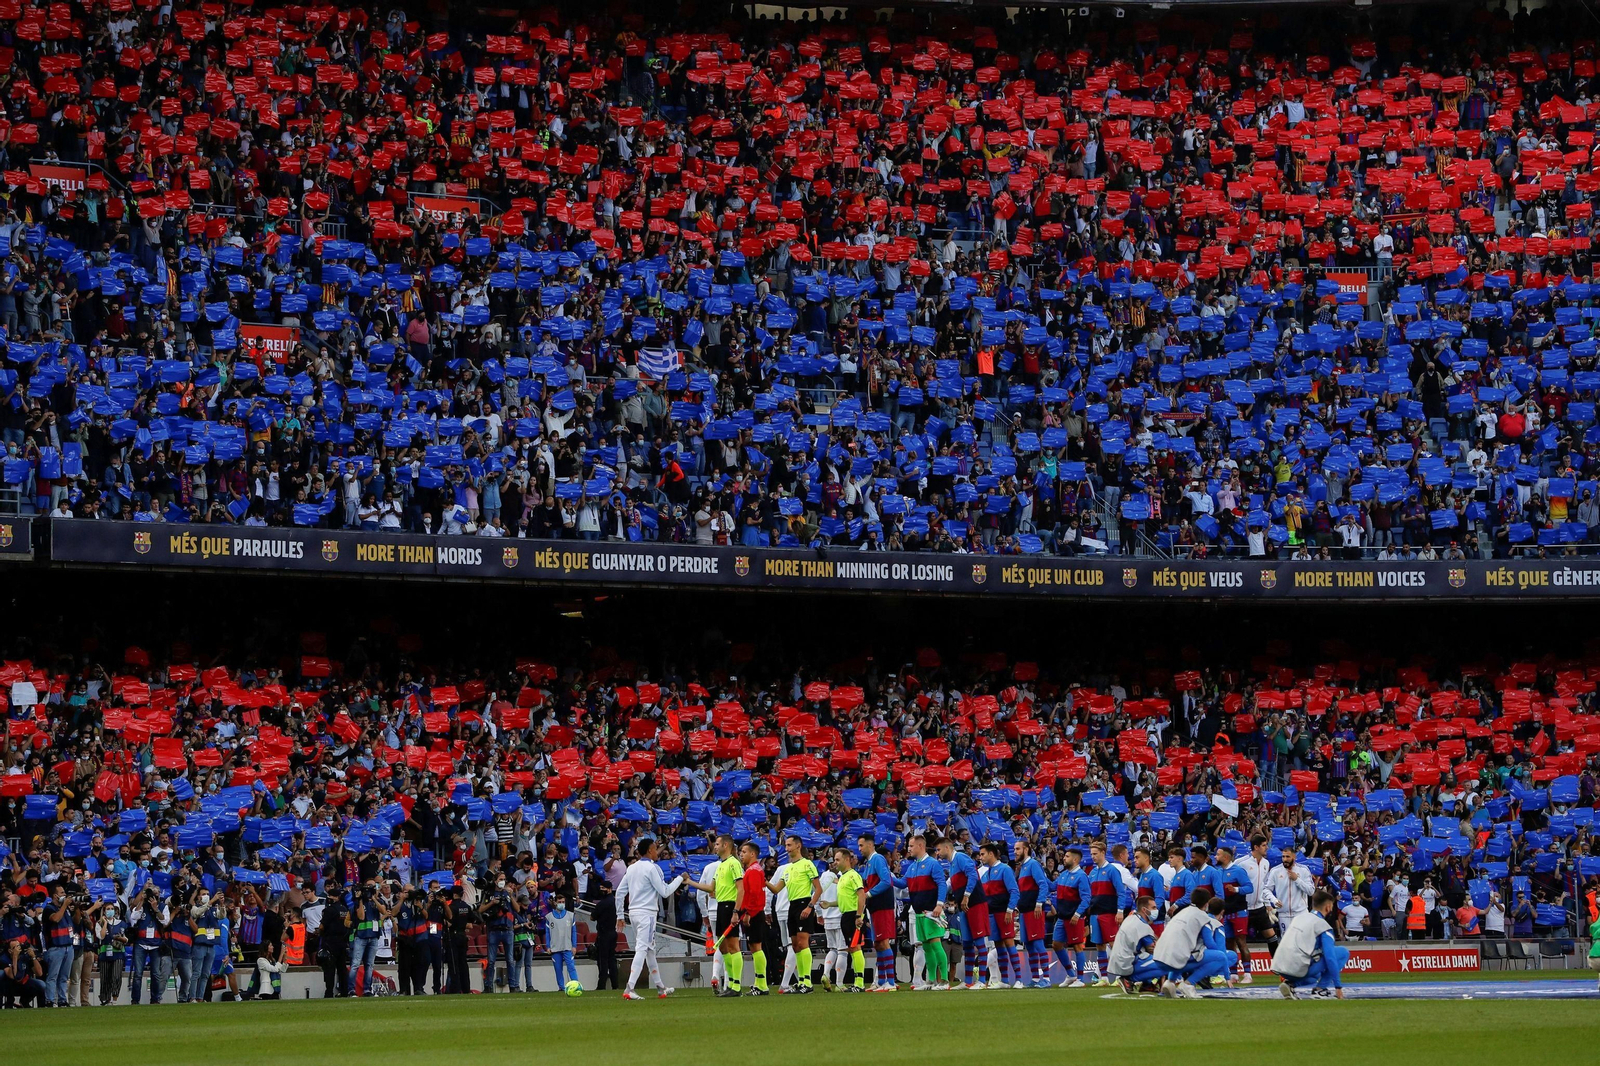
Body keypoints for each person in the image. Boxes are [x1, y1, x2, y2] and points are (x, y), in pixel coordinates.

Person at [616, 837, 684, 1000]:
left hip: (634, 913)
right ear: (649, 851)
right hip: (647, 914)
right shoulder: (652, 868)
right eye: (655, 849)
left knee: (649, 950)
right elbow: (665, 891)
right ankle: (629, 987)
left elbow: (619, 893)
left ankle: (660, 987)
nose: (657, 852)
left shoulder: (631, 868)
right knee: (642, 948)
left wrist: (620, 915)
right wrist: (681, 878)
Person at [687, 834, 745, 997]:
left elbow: (741, 889)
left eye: (718, 844)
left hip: (729, 906)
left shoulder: (734, 863)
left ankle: (736, 986)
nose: (715, 846)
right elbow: (710, 888)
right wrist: (690, 882)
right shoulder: (721, 865)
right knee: (723, 946)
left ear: (726, 845)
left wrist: (736, 911)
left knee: (733, 946)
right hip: (720, 906)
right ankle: (730, 985)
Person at [1272, 888, 1348, 999]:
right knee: (1342, 952)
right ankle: (1320, 989)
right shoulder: (1322, 925)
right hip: (1298, 969)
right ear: (1328, 907)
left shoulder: (1298, 918)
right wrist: (1338, 986)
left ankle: (1290, 984)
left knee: (1315, 976)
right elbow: (1330, 957)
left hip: (1280, 967)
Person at [769, 834, 821, 994]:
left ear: (798, 846)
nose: (786, 848)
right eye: (786, 845)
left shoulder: (807, 864)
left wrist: (810, 907)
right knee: (795, 945)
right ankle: (801, 981)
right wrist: (763, 881)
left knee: (803, 942)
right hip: (792, 906)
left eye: (789, 845)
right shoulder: (788, 868)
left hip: (803, 903)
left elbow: (818, 888)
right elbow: (777, 889)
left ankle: (807, 981)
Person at [902, 834, 950, 990]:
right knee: (927, 947)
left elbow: (942, 884)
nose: (908, 849)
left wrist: (939, 905)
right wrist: (886, 876)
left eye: (911, 846)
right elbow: (902, 883)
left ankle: (944, 980)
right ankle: (930, 981)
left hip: (931, 912)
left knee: (936, 945)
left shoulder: (933, 864)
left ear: (920, 846)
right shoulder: (912, 866)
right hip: (919, 914)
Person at [940, 835, 989, 989]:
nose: (938, 853)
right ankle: (968, 981)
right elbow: (948, 886)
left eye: (939, 849)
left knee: (979, 942)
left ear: (947, 848)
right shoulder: (952, 864)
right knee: (967, 943)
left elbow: (973, 875)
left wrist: (967, 896)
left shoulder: (960, 858)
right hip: (964, 907)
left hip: (974, 903)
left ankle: (981, 980)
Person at [1151, 886, 1215, 999]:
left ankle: (1170, 982)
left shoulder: (1181, 913)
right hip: (1174, 959)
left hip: (1158, 957)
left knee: (1181, 952)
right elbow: (1210, 944)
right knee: (1220, 957)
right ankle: (1188, 984)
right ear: (1206, 903)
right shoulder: (1203, 917)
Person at [977, 841, 1021, 989]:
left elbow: (1014, 891)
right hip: (991, 914)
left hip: (1004, 913)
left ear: (991, 854)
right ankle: (1005, 981)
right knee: (999, 946)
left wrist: (1010, 909)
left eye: (983, 854)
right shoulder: (986, 872)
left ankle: (1019, 979)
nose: (980, 857)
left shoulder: (1005, 869)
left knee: (1009, 944)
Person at [857, 834, 897, 991]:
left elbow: (886, 881)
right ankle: (881, 981)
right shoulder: (868, 863)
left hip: (882, 905)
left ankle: (891, 982)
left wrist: (868, 895)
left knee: (884, 942)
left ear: (870, 845)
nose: (859, 849)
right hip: (875, 906)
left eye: (861, 845)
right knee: (877, 943)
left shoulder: (878, 859)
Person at [1107, 895, 1166, 994]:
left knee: (1147, 955)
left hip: (1123, 960)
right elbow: (1154, 948)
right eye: (1153, 908)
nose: (1156, 910)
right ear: (1144, 910)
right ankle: (1129, 980)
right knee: (1166, 964)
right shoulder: (1141, 925)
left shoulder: (1131, 918)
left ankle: (1147, 985)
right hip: (1128, 962)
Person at [1013, 839, 1051, 987]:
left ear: (1026, 850)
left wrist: (1039, 903)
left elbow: (1043, 884)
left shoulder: (1033, 864)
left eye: (1017, 849)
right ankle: (1035, 978)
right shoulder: (1023, 868)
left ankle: (1046, 978)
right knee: (1029, 945)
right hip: (1025, 911)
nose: (1015, 852)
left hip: (1034, 911)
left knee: (1038, 943)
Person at [1052, 845, 1091, 987]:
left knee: (1077, 946)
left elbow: (1086, 898)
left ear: (1075, 859)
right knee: (1056, 944)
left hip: (1074, 917)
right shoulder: (1063, 875)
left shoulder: (1081, 876)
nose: (1064, 858)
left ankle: (1080, 979)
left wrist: (1078, 914)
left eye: (1067, 856)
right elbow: (1052, 886)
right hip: (1063, 917)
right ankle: (1070, 974)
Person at [738, 841, 772, 995]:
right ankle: (759, 982)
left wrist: (747, 913)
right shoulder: (756, 870)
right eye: (740, 852)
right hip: (756, 912)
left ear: (753, 854)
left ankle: (762, 984)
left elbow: (753, 894)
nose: (741, 854)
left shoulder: (753, 871)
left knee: (756, 947)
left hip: (754, 913)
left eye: (744, 852)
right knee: (754, 947)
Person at [832, 847, 867, 992]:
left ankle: (860, 982)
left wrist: (859, 915)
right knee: (852, 948)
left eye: (837, 859)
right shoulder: (843, 877)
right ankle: (857, 982)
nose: (835, 862)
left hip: (853, 914)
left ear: (847, 860)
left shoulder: (853, 876)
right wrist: (829, 904)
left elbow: (861, 895)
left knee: (856, 947)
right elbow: (846, 898)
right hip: (846, 915)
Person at [1265, 849, 1314, 933]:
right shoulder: (1275, 871)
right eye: (1283, 856)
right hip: (1284, 915)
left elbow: (1311, 891)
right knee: (1286, 943)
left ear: (1294, 857)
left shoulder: (1303, 870)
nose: (1285, 859)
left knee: (1301, 942)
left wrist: (1297, 880)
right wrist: (1274, 900)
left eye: (1287, 856)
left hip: (1301, 913)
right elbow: (1266, 890)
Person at [547, 895, 579, 991]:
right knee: (558, 969)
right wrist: (548, 947)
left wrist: (574, 946)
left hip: (567, 947)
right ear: (555, 903)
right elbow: (547, 933)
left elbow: (573, 932)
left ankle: (576, 985)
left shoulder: (570, 915)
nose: (561, 904)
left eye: (563, 902)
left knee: (571, 967)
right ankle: (561, 987)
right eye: (559, 902)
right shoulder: (549, 917)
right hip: (555, 947)